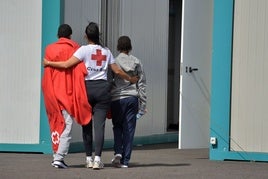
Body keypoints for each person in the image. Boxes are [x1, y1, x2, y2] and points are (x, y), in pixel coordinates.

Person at [43, 22, 138, 170]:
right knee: (99, 127)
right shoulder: (106, 51)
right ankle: (97, 160)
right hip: (102, 90)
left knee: (86, 124)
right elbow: (117, 71)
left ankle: (88, 158)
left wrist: (49, 62)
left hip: (86, 90)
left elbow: (67, 64)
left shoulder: (83, 50)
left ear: (86, 36)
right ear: (98, 35)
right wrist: (131, 79)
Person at [42, 24, 92, 169]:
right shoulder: (75, 48)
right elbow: (82, 70)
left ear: (58, 35)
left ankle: (55, 154)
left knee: (56, 123)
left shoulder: (49, 49)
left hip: (52, 92)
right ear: (70, 35)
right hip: (67, 93)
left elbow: (47, 72)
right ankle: (59, 157)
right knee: (66, 125)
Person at [110, 36, 147, 168]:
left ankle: (118, 153)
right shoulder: (137, 62)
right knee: (129, 129)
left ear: (118, 47)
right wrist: (143, 104)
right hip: (132, 98)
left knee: (117, 126)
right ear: (130, 47)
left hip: (117, 99)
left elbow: (109, 82)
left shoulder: (114, 62)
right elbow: (142, 84)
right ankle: (125, 161)